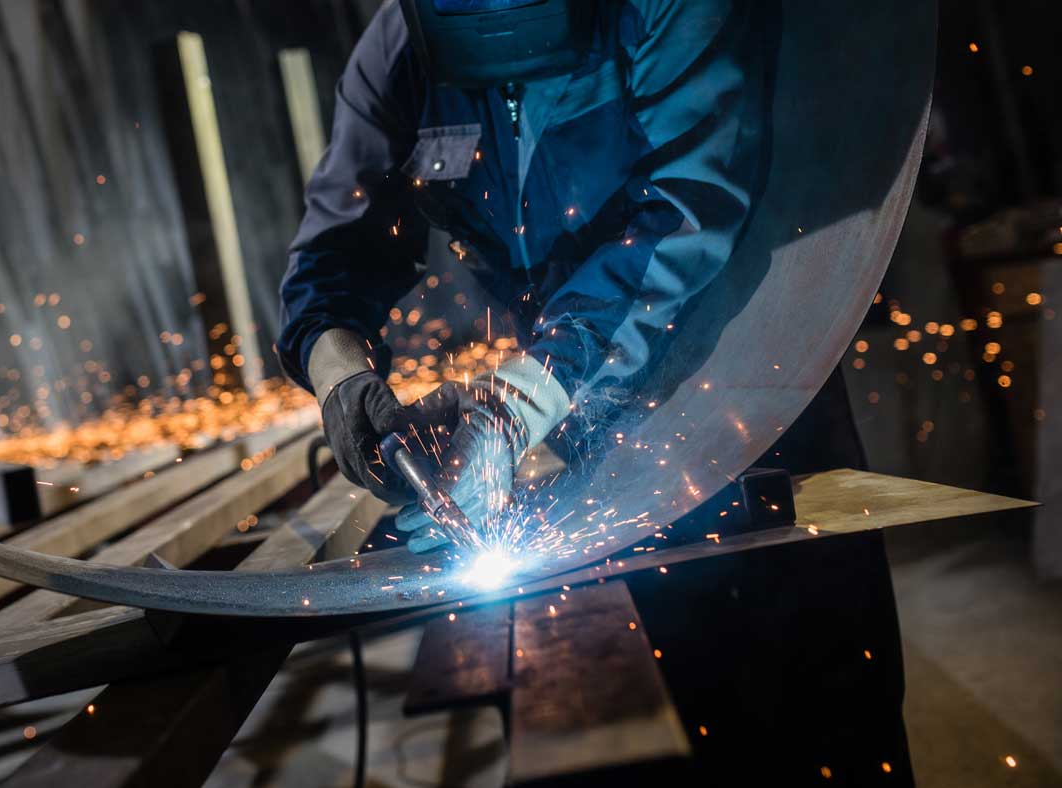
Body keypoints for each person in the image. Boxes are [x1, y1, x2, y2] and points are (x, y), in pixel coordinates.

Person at [278, 1, 912, 783]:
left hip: (759, 392)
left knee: (831, 724)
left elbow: (687, 212)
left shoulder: (666, 8)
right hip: (599, 431)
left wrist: (512, 409)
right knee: (698, 713)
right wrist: (341, 376)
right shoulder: (402, 49)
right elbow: (336, 247)